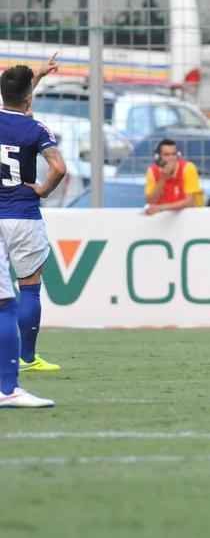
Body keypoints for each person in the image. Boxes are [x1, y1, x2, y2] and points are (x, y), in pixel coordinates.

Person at [0, 62, 66, 406]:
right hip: (24, 216)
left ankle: (8, 380)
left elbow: (17, 102)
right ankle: (27, 359)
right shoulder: (35, 129)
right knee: (29, 286)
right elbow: (59, 167)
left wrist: (35, 77)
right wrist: (42, 190)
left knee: (2, 302)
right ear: (28, 98)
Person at [144, 138, 204, 213]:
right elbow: (150, 201)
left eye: (173, 154)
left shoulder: (188, 168)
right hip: (164, 217)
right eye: (166, 155)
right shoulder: (152, 171)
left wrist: (161, 208)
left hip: (192, 216)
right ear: (158, 158)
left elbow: (190, 202)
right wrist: (163, 179)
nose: (171, 158)